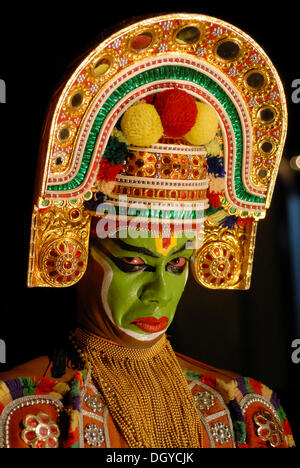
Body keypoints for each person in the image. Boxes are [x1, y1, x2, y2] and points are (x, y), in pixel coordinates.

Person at [0, 13, 295, 448]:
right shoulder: (26, 412)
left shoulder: (246, 410)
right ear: (76, 249)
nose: (159, 291)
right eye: (134, 262)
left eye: (176, 264)